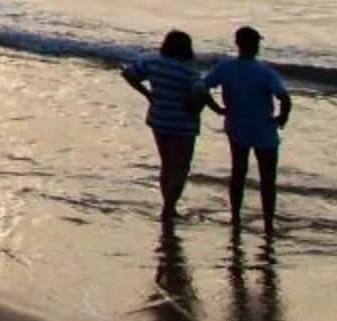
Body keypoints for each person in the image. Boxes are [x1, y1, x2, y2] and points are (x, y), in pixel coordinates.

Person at [202, 26, 292, 234]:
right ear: (256, 45)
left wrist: (216, 108)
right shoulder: (264, 71)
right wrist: (282, 118)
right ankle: (268, 222)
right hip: (263, 128)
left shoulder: (225, 67)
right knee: (268, 177)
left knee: (238, 171)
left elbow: (200, 87)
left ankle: (235, 215)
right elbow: (284, 98)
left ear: (238, 44)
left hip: (236, 125)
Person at [120, 30, 208, 224]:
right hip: (183, 122)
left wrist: (148, 94)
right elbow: (200, 91)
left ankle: (168, 205)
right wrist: (198, 108)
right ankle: (169, 208)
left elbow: (128, 74)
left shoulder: (152, 60)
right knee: (182, 165)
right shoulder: (187, 68)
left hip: (159, 117)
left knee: (167, 164)